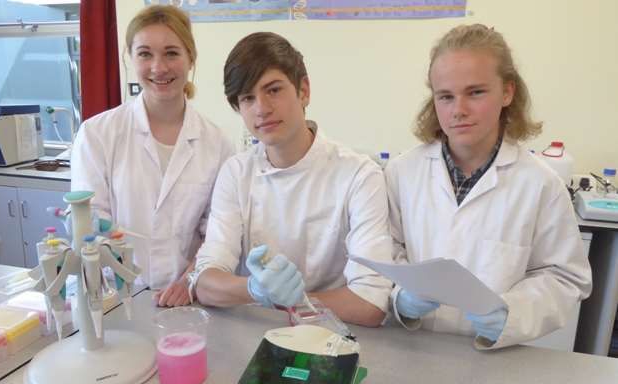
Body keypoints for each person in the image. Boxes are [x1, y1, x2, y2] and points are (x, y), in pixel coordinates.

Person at [385, 24, 592, 349]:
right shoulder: (402, 172)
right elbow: (386, 251)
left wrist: (514, 314)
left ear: (507, 92)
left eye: (476, 92)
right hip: (412, 349)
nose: (459, 110)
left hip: (494, 360)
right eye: (446, 96)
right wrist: (401, 297)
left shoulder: (540, 184)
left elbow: (565, 278)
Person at [183, 32, 392, 326]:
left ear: (303, 90)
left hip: (332, 338)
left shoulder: (358, 174)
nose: (262, 108)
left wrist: (294, 300)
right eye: (248, 98)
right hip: (254, 335)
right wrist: (255, 289)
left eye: (273, 90)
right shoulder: (236, 172)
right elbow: (205, 283)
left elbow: (370, 303)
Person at [71, 5, 233, 305]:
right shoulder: (97, 134)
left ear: (190, 59)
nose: (159, 67)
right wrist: (120, 273)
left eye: (171, 53)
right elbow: (90, 220)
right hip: (114, 298)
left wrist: (190, 280)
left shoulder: (218, 143)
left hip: (189, 298)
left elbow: (219, 233)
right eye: (145, 54)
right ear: (130, 58)